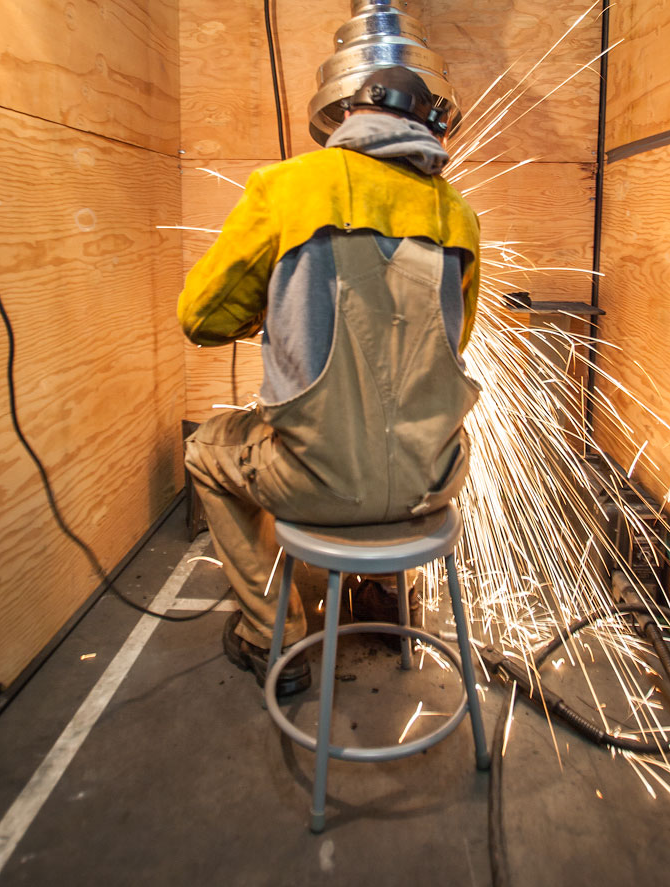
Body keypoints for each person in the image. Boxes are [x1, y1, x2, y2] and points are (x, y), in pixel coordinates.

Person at [179, 66, 481, 695]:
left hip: (311, 484)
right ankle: (384, 601)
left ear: (345, 116)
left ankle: (271, 635)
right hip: (432, 481)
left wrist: (280, 308)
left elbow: (201, 318)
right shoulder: (458, 215)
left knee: (207, 448)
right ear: (427, 125)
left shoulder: (286, 188)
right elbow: (451, 347)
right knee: (394, 435)